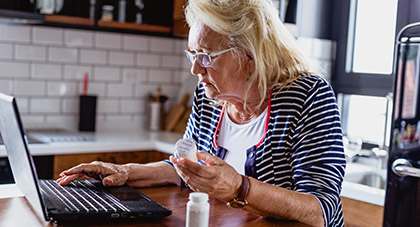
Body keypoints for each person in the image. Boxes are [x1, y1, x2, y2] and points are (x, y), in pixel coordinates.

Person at [57, 0, 346, 226]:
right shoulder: (209, 97)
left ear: (249, 57)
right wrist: (125, 172)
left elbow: (320, 210)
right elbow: (185, 169)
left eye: (206, 56)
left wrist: (239, 188)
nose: (196, 69)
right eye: (193, 55)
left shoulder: (308, 95)